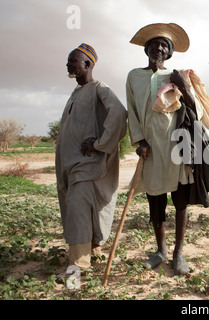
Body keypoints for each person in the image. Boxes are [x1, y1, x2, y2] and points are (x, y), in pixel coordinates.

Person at [126, 23, 209, 275]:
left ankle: (179, 253)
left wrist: (184, 85)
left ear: (169, 53)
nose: (159, 47)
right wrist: (139, 141)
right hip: (151, 150)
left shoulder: (179, 75)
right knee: (155, 201)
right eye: (154, 43)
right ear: (147, 49)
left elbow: (198, 112)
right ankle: (160, 250)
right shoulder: (133, 76)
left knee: (180, 202)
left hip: (178, 149)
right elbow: (133, 114)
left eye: (164, 45)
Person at [56, 43, 127, 281]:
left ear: (87, 64)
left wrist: (99, 143)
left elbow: (118, 113)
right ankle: (94, 249)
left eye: (72, 60)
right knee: (83, 209)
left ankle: (78, 264)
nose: (68, 65)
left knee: (78, 207)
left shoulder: (99, 87)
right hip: (70, 165)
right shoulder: (76, 92)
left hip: (85, 164)